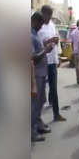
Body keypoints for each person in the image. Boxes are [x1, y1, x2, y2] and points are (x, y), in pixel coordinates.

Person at [38, 5, 66, 121]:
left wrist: (58, 56)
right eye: (47, 14)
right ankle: (37, 119)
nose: (49, 17)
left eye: (50, 14)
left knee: (53, 88)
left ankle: (56, 113)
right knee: (40, 91)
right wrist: (48, 41)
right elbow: (36, 43)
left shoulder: (52, 25)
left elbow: (56, 39)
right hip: (42, 60)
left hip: (52, 60)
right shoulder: (38, 26)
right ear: (42, 13)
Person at [31, 11, 53, 142]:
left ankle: (37, 123)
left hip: (41, 73)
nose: (41, 27)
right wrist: (46, 50)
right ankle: (32, 131)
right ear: (35, 21)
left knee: (41, 101)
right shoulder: (30, 35)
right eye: (40, 24)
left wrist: (45, 45)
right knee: (34, 103)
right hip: (36, 74)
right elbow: (32, 57)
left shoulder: (35, 34)